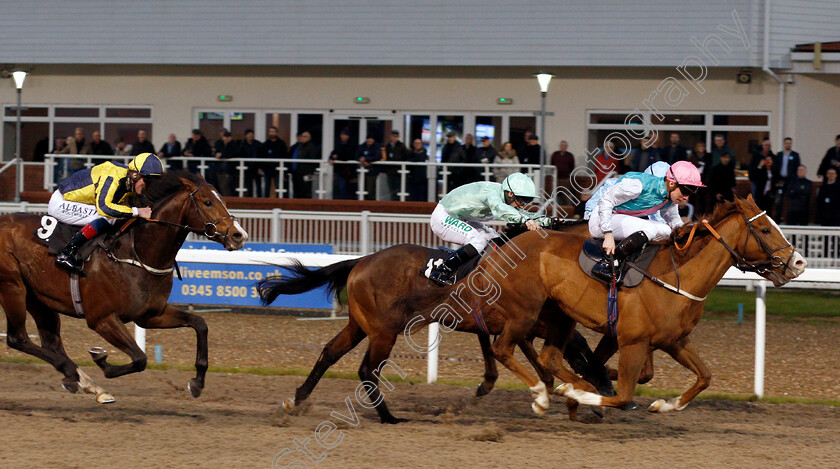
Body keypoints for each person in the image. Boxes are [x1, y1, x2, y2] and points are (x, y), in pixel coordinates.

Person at [587, 161, 704, 281]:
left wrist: (692, 233)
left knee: (667, 231)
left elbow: (675, 222)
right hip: (600, 219)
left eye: (691, 193)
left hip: (617, 218)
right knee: (649, 229)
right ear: (672, 184)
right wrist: (608, 235)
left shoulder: (670, 198)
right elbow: (605, 201)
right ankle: (606, 264)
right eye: (685, 192)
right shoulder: (638, 185)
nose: (686, 198)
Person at [428, 172, 551, 286]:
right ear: (510, 194)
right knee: (478, 241)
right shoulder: (492, 194)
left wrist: (549, 220)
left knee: (495, 240)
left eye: (528, 200)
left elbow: (524, 213)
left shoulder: (504, 195)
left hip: (461, 218)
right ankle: (441, 271)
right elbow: (500, 210)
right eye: (522, 199)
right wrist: (525, 220)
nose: (524, 204)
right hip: (443, 216)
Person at [48, 153, 162, 274]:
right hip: (61, 203)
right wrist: (137, 212)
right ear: (135, 174)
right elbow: (104, 208)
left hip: (79, 201)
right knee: (108, 217)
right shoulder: (113, 177)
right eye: (148, 181)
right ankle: (66, 253)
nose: (149, 186)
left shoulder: (130, 181)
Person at [774, 137, 800, 221]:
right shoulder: (779, 155)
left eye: (790, 143)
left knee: (790, 200)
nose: (788, 144)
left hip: (790, 180)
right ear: (784, 144)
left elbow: (797, 168)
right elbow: (775, 168)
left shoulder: (795, 155)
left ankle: (789, 219)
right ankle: (778, 218)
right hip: (781, 180)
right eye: (787, 143)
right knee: (779, 200)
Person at [329, 129, 357, 200]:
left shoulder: (352, 145)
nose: (342, 136)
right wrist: (331, 158)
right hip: (339, 171)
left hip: (349, 171)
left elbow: (348, 156)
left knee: (348, 188)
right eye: (341, 134)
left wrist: (338, 156)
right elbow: (333, 153)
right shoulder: (338, 144)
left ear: (348, 136)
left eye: (344, 135)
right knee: (340, 187)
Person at [749, 139, 775, 212]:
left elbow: (775, 171)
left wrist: (770, 166)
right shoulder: (757, 156)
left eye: (769, 145)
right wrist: (760, 166)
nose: (767, 147)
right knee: (757, 201)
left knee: (768, 203)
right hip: (759, 183)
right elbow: (753, 170)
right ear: (763, 146)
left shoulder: (773, 156)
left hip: (769, 184)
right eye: (766, 145)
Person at [240, 129, 266, 197]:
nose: (250, 136)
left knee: (258, 184)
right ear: (246, 136)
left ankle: (259, 198)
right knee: (249, 184)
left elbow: (261, 156)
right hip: (247, 168)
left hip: (256, 167)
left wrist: (260, 167)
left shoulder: (258, 144)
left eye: (251, 135)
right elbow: (241, 155)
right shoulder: (242, 145)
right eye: (249, 135)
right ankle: (249, 197)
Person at [263, 126, 288, 196]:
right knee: (266, 187)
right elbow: (262, 156)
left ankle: (280, 202)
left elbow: (285, 156)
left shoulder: (282, 144)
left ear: (276, 133)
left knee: (279, 187)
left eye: (273, 132)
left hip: (278, 169)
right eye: (270, 131)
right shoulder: (265, 144)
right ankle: (265, 202)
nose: (272, 133)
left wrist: (285, 169)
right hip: (267, 169)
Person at [355, 134, 381, 200]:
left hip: (372, 171)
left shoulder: (376, 147)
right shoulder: (362, 146)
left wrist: (367, 159)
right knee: (363, 188)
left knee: (371, 189)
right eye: (368, 139)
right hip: (363, 171)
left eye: (371, 139)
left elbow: (378, 156)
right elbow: (356, 155)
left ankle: (371, 203)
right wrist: (361, 160)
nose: (369, 140)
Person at [384, 130, 409, 200]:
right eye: (393, 136)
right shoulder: (388, 146)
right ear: (390, 137)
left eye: (396, 137)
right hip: (390, 171)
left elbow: (405, 157)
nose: (395, 138)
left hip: (398, 171)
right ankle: (393, 202)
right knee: (391, 189)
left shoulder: (402, 146)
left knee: (398, 189)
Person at [690, 141, 713, 215]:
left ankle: (703, 214)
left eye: (702, 147)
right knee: (693, 199)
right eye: (699, 146)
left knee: (703, 200)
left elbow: (709, 169)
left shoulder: (708, 157)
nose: (701, 148)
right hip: (694, 181)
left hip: (704, 180)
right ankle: (693, 214)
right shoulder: (692, 157)